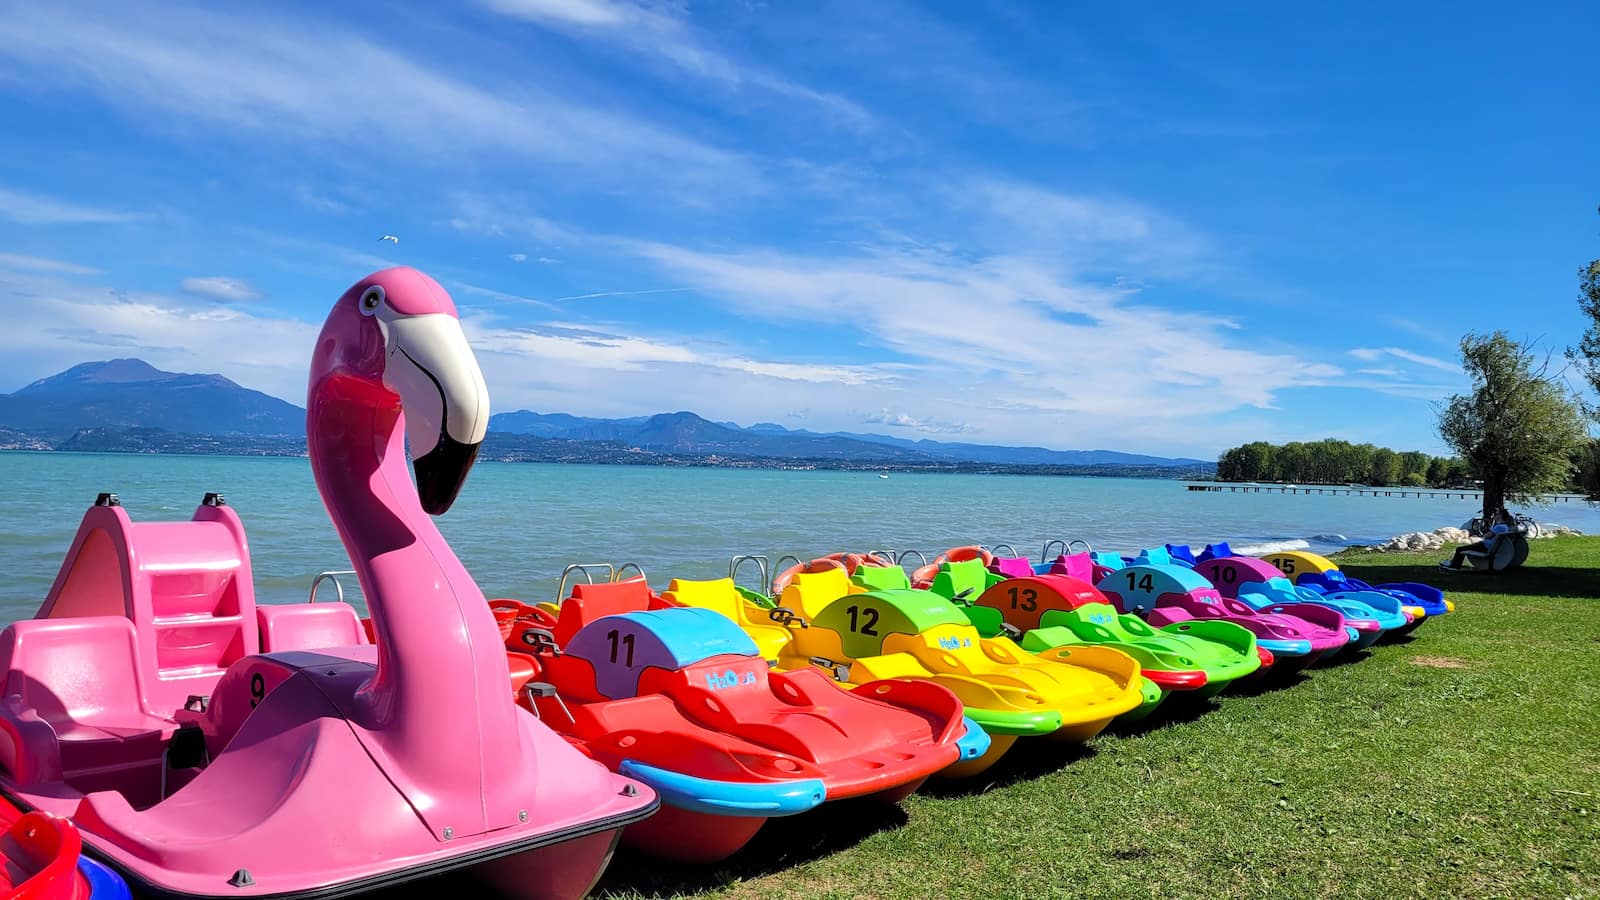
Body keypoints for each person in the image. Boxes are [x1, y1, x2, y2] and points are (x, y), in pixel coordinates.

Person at [1440, 523, 1510, 571]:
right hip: (1490, 546)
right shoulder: (1506, 527)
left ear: (1500, 517)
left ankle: (1454, 566)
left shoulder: (1499, 527)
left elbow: (1486, 536)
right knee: (1465, 548)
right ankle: (1452, 562)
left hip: (1485, 547)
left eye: (1497, 515)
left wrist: (1485, 535)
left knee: (1460, 549)